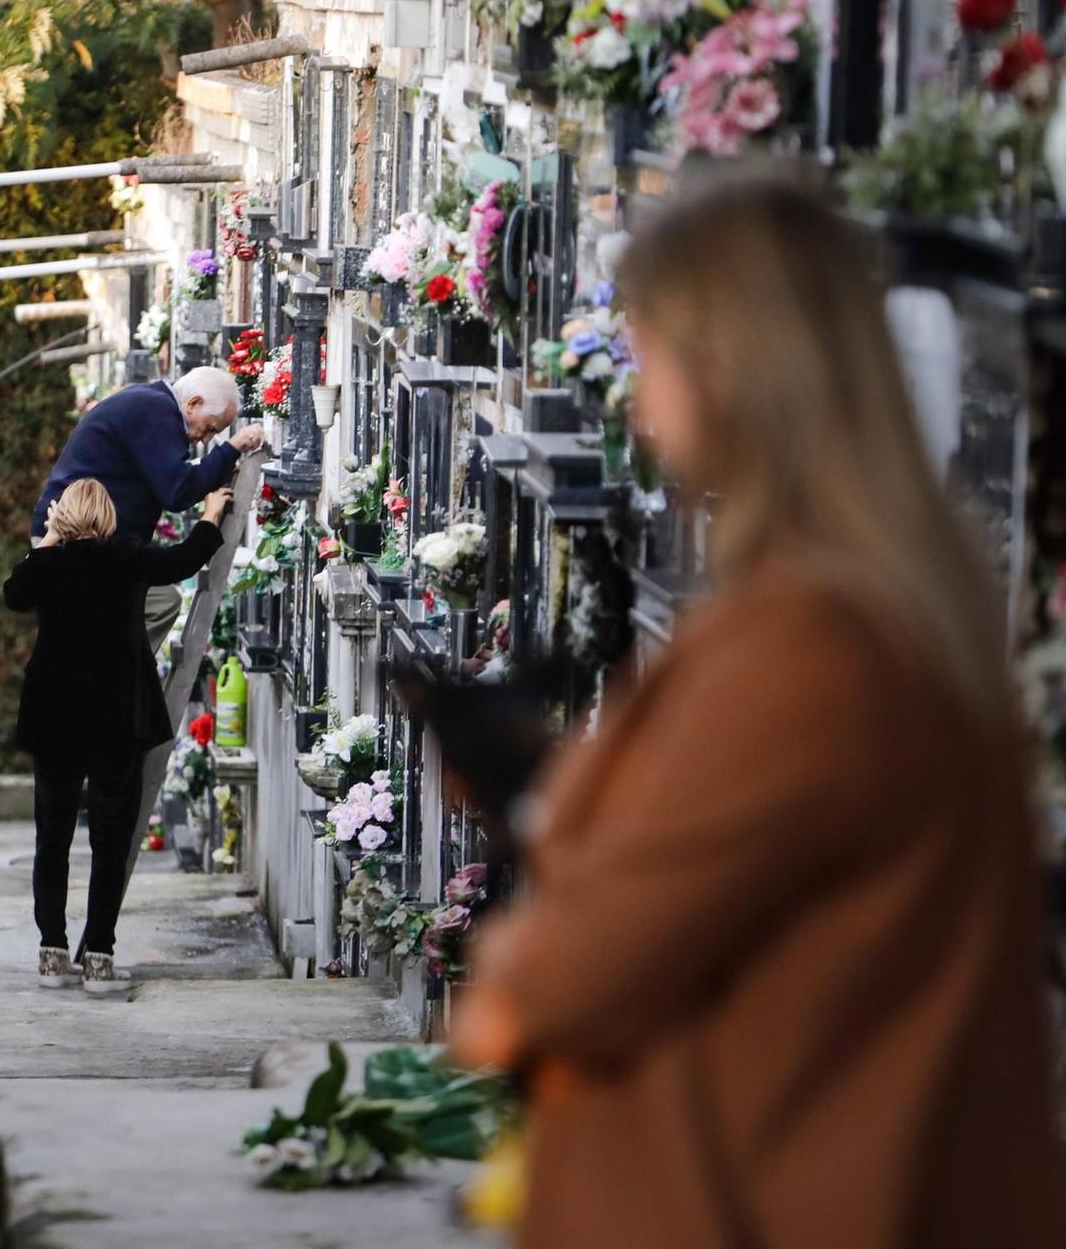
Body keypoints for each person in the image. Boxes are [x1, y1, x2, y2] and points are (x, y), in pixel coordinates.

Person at [451, 173, 1066, 1247]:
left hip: (761, 1194)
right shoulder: (901, 607)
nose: (641, 405)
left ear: (730, 370)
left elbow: (557, 983)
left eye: (655, 360)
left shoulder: (805, 645)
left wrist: (544, 860)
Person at [4, 478, 231, 991]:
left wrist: (44, 544)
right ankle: (100, 956)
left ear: (61, 518)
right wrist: (212, 513)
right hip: (117, 715)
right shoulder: (126, 557)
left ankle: (51, 951)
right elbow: (183, 561)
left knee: (53, 836)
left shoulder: (47, 566)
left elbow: (13, 594)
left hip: (57, 717)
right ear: (107, 515)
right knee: (110, 838)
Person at [30, 367, 261, 651]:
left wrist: (215, 470)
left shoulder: (153, 405)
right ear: (193, 404)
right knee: (156, 605)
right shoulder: (156, 411)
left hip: (84, 542)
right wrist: (231, 449)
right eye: (211, 427)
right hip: (70, 539)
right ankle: (120, 683)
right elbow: (176, 491)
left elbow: (168, 478)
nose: (206, 439)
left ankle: (122, 680)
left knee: (158, 603)